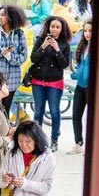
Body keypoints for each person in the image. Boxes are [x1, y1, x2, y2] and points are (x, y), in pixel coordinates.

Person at [29, 16, 71, 152]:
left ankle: (54, 140)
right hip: (38, 81)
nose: (54, 29)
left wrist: (57, 49)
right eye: (52, 26)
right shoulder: (40, 41)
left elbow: (64, 65)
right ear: (48, 27)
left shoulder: (65, 45)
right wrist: (43, 46)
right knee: (38, 111)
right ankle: (37, 140)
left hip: (55, 82)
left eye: (57, 27)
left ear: (61, 29)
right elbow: (33, 58)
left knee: (54, 112)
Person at [0, 4, 28, 115]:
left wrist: (10, 57)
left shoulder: (20, 34)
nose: (0, 18)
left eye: (3, 15)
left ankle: (5, 131)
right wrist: (0, 53)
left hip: (12, 79)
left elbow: (23, 56)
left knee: (6, 109)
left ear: (11, 17)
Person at [69, 21, 92, 155]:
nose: (87, 34)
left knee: (90, 117)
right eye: (85, 31)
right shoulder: (83, 46)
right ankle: (78, 143)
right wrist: (75, 74)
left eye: (90, 31)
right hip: (80, 86)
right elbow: (80, 67)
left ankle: (91, 145)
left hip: (90, 87)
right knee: (76, 115)